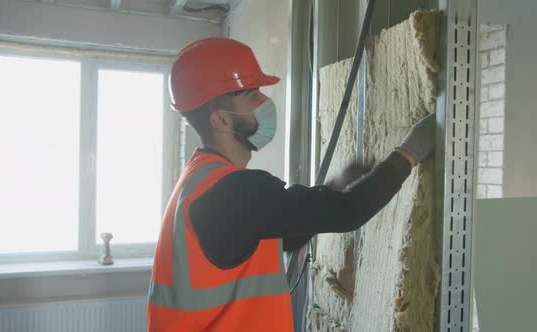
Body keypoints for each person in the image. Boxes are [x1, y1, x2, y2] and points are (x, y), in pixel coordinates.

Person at [147, 37, 435, 332]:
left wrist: (333, 188)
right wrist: (409, 152)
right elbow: (349, 212)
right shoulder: (231, 191)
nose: (265, 102)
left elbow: (278, 238)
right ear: (221, 119)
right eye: (252, 95)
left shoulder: (202, 180)